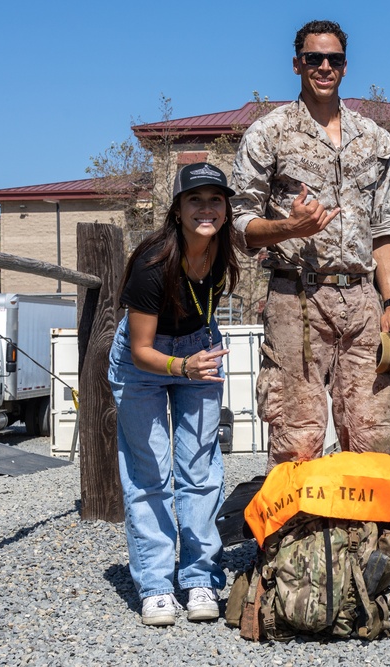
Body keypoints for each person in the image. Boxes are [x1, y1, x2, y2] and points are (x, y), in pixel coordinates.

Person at [230, 20, 390, 469]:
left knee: (372, 430)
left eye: (334, 59)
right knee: (296, 432)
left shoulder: (375, 139)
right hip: (296, 298)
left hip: (363, 300)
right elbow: (240, 223)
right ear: (297, 64)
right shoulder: (269, 132)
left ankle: (369, 538)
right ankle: (295, 537)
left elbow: (384, 227)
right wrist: (290, 228)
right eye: (314, 58)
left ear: (345, 67)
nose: (324, 66)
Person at [108, 162, 240, 626]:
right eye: (195, 200)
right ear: (178, 210)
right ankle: (157, 584)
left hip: (198, 348)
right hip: (144, 361)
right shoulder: (151, 265)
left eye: (215, 200)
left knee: (201, 468)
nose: (206, 209)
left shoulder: (222, 253)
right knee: (150, 474)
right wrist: (183, 365)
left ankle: (200, 574)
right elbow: (142, 349)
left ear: (225, 209)